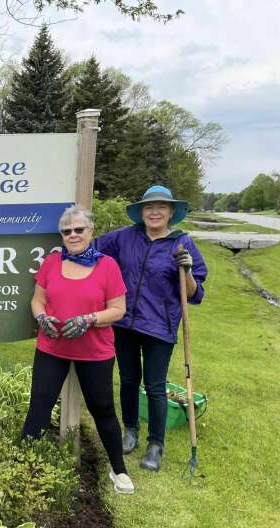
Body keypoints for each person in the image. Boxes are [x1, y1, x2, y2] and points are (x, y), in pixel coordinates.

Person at [94, 185, 207, 472]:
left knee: (155, 385)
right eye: (148, 207)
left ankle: (156, 445)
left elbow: (195, 295)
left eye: (161, 207)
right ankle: (130, 431)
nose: (154, 212)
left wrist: (189, 271)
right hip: (125, 322)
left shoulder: (182, 244)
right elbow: (90, 246)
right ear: (141, 212)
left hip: (160, 326)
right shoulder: (124, 237)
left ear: (171, 213)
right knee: (129, 380)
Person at [22, 206, 134, 494]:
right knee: (39, 406)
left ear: (90, 231)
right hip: (52, 347)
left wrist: (89, 319)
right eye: (66, 231)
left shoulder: (107, 265)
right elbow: (38, 300)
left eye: (78, 230)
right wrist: (41, 317)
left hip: (94, 351)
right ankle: (21, 465)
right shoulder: (52, 262)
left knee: (103, 409)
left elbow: (118, 309)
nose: (72, 235)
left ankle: (118, 469)